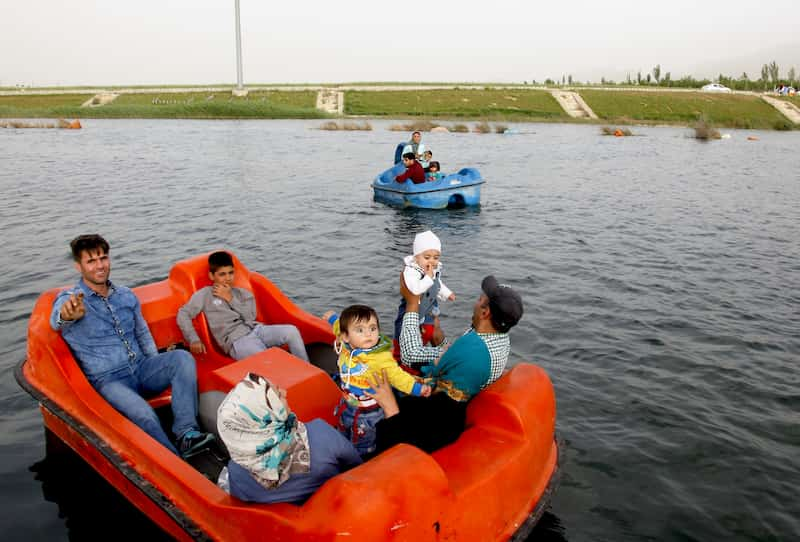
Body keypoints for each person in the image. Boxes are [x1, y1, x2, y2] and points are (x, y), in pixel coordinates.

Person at [50, 234, 214, 458]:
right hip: (109, 380)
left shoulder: (126, 295)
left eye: (103, 258)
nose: (100, 265)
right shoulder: (71, 299)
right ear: (79, 266)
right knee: (144, 415)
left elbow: (142, 333)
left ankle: (186, 433)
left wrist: (154, 361)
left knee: (182, 359)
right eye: (91, 261)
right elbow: (57, 319)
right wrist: (67, 315)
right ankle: (173, 462)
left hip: (141, 368)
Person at [369, 274, 523, 454]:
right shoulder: (499, 339)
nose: (475, 302)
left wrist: (412, 304)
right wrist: (440, 341)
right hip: (453, 409)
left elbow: (410, 355)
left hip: (434, 421)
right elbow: (457, 361)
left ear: (485, 312)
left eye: (480, 300)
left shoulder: (473, 347)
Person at [217, 373, 363, 504]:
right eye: (278, 396)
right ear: (267, 417)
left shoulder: (236, 472)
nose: (284, 392)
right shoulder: (321, 435)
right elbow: (358, 468)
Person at [322, 305, 431, 456]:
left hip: (367, 413)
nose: (368, 334)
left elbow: (398, 376)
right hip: (347, 403)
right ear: (346, 336)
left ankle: (359, 463)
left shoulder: (380, 358)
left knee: (362, 446)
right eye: (360, 330)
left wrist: (417, 389)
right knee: (343, 430)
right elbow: (338, 327)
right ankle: (342, 448)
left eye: (373, 328)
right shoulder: (346, 345)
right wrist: (333, 318)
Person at [177, 251, 309, 362]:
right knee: (268, 359)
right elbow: (183, 314)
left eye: (231, 273)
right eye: (222, 274)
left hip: (256, 330)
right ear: (212, 276)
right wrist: (193, 339)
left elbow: (250, 317)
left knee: (291, 331)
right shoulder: (205, 294)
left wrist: (230, 298)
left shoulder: (241, 293)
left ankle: (306, 368)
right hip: (236, 341)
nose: (228, 278)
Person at [392, 230, 455, 362]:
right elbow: (415, 290)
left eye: (436, 257)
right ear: (416, 257)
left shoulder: (434, 270)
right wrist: (428, 277)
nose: (432, 261)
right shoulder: (411, 271)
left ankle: (422, 353)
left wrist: (447, 293)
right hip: (410, 309)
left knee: (428, 332)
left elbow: (437, 284)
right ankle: (400, 357)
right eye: (427, 257)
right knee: (403, 333)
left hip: (429, 308)